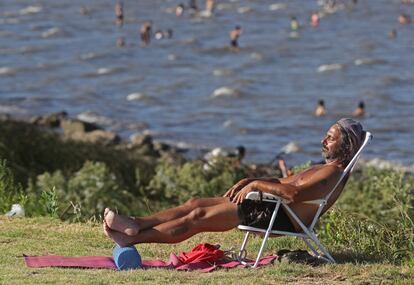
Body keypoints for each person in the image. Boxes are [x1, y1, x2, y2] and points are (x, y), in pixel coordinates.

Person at [103, 119, 365, 247]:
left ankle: (133, 240)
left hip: (277, 216)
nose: (323, 141)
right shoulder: (324, 168)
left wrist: (257, 187)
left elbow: (293, 194)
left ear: (346, 145)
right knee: (194, 203)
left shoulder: (332, 174)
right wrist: (252, 180)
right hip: (269, 208)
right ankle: (135, 223)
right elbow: (283, 182)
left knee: (198, 216)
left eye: (330, 138)